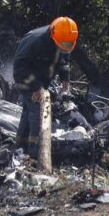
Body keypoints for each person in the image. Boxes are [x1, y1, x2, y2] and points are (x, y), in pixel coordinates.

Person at [12, 17, 77, 158]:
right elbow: (19, 67)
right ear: (53, 36)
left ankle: (20, 146)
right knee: (39, 110)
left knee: (28, 110)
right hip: (26, 79)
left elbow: (64, 57)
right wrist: (36, 87)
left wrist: (65, 75)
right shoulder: (35, 41)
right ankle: (35, 152)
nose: (64, 46)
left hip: (42, 81)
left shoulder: (63, 38)